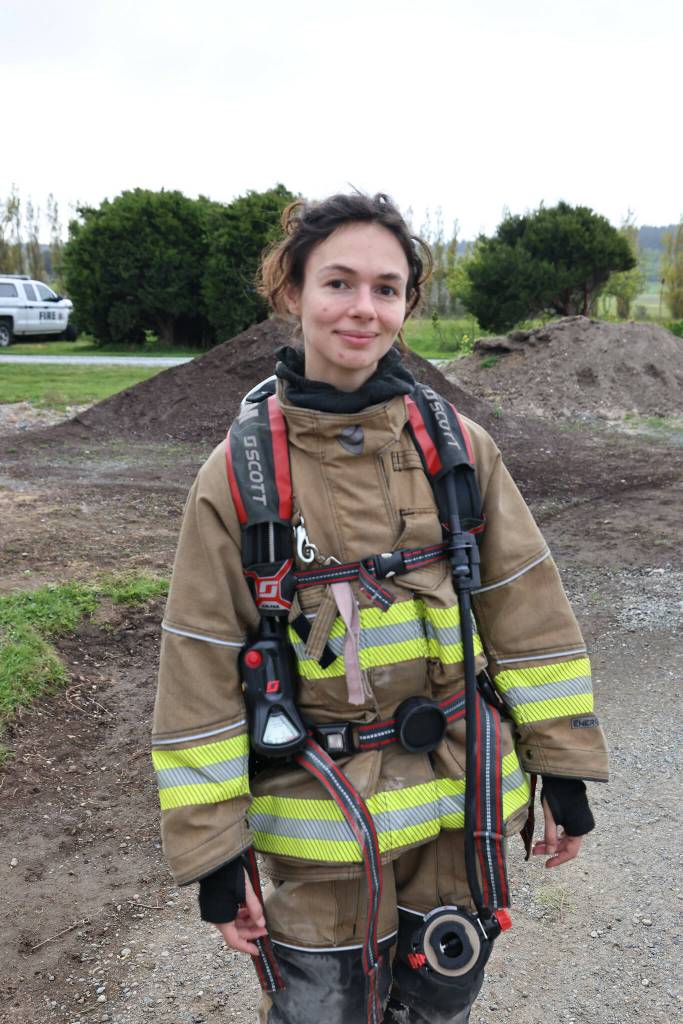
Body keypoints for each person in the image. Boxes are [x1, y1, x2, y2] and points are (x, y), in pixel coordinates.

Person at [152, 192, 608, 1024]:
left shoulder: (458, 450)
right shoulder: (238, 476)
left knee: (440, 1007)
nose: (363, 309)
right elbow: (197, 666)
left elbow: (529, 616)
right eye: (338, 283)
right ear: (291, 292)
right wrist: (215, 855)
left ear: (408, 303)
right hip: (321, 838)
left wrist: (565, 770)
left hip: (457, 818)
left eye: (386, 288)